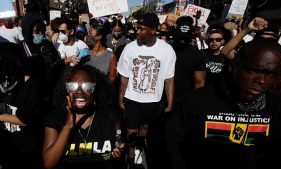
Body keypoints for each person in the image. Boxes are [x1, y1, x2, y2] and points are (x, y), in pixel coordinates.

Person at [165, 38, 281, 169]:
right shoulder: (196, 101)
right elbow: (171, 142)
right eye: (253, 71)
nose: (261, 80)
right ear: (233, 66)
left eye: (270, 74)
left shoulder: (275, 107)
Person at [117, 13, 176, 169]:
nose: (137, 32)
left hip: (154, 101)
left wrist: (170, 102)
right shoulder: (129, 48)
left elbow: (169, 78)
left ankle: (138, 154)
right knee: (131, 132)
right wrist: (120, 99)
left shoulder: (167, 50)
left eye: (141, 29)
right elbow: (124, 78)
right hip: (132, 99)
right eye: (137, 28)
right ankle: (130, 160)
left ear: (154, 30)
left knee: (144, 130)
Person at [42, 64, 124, 169]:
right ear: (66, 89)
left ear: (95, 89)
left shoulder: (111, 116)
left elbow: (118, 146)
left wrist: (118, 152)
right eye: (73, 86)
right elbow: (49, 163)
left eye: (87, 87)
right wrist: (68, 126)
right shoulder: (56, 118)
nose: (80, 92)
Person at [0, 42, 44, 169]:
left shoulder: (31, 84)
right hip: (5, 148)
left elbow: (30, 119)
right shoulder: (3, 81)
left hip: (25, 152)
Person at [170, 16, 206, 105]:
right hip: (163, 97)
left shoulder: (198, 54)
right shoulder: (166, 50)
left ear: (191, 36)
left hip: (186, 99)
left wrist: (197, 103)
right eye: (180, 37)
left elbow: (199, 82)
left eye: (185, 38)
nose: (182, 40)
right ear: (175, 34)